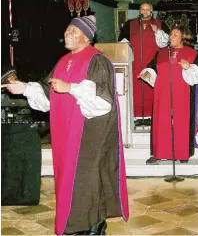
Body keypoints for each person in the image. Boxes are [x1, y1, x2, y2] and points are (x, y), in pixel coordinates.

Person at [4, 15, 129, 235]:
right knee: (70, 179)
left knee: (88, 177)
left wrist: (70, 88)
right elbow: (46, 91)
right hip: (66, 131)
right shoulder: (63, 61)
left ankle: (95, 224)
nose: (67, 34)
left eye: (73, 31)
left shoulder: (97, 60)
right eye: (67, 30)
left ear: (87, 37)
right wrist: (22, 88)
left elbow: (102, 100)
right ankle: (77, 223)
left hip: (91, 131)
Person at [138, 26, 198, 165]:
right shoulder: (161, 53)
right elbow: (152, 67)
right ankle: (158, 153)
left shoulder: (192, 53)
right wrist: (148, 73)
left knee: (181, 122)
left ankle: (182, 153)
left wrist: (189, 67)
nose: (171, 36)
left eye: (176, 34)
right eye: (171, 34)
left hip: (182, 94)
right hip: (162, 94)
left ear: (183, 37)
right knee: (161, 123)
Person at [118, 3, 170, 126]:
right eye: (143, 9)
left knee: (151, 89)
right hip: (134, 63)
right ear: (139, 11)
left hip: (153, 64)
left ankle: (152, 116)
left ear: (151, 11)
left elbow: (166, 43)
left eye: (147, 10)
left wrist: (158, 32)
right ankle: (135, 117)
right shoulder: (130, 24)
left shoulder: (160, 23)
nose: (145, 12)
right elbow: (122, 41)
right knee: (135, 90)